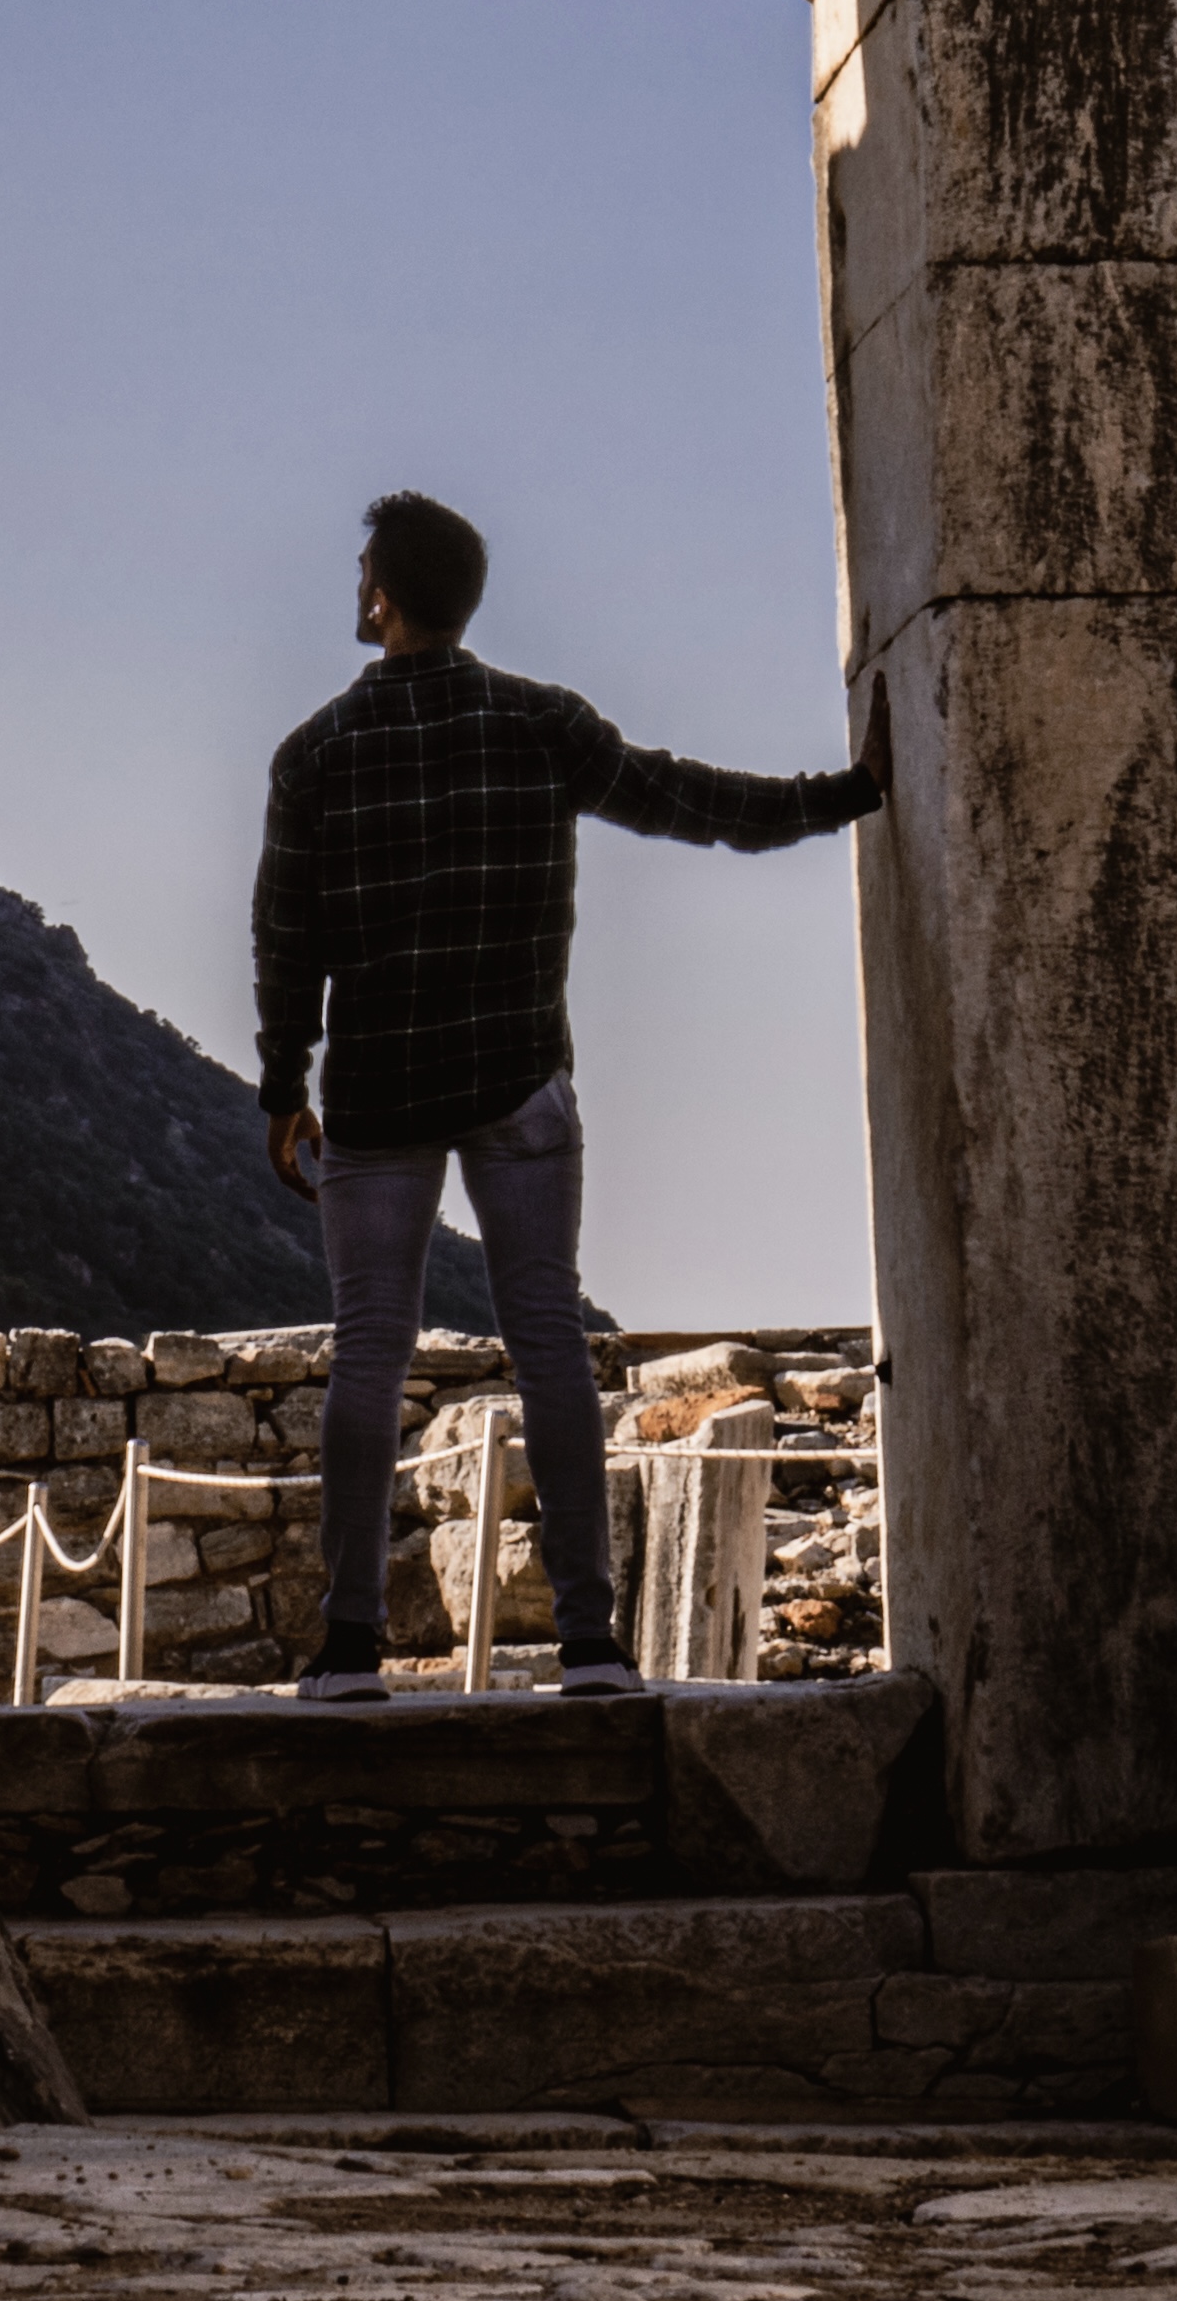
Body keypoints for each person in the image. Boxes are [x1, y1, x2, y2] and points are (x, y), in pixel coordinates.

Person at [247, 487, 875, 1703]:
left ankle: (346, 1647)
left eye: (363, 569)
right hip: (519, 1079)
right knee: (547, 1346)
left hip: (377, 1094)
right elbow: (690, 802)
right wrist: (842, 793)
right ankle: (590, 1643)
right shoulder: (541, 724)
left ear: (380, 592)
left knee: (366, 1356)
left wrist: (283, 1081)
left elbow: (287, 937)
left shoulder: (312, 752)